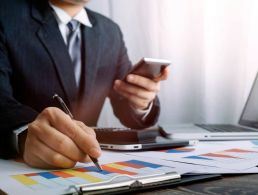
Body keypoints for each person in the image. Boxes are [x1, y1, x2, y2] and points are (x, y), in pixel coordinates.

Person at [0, 0, 169, 169]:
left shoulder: (110, 31)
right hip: (21, 167)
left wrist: (141, 102)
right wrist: (24, 135)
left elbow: (125, 102)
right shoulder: (6, 15)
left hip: (86, 163)